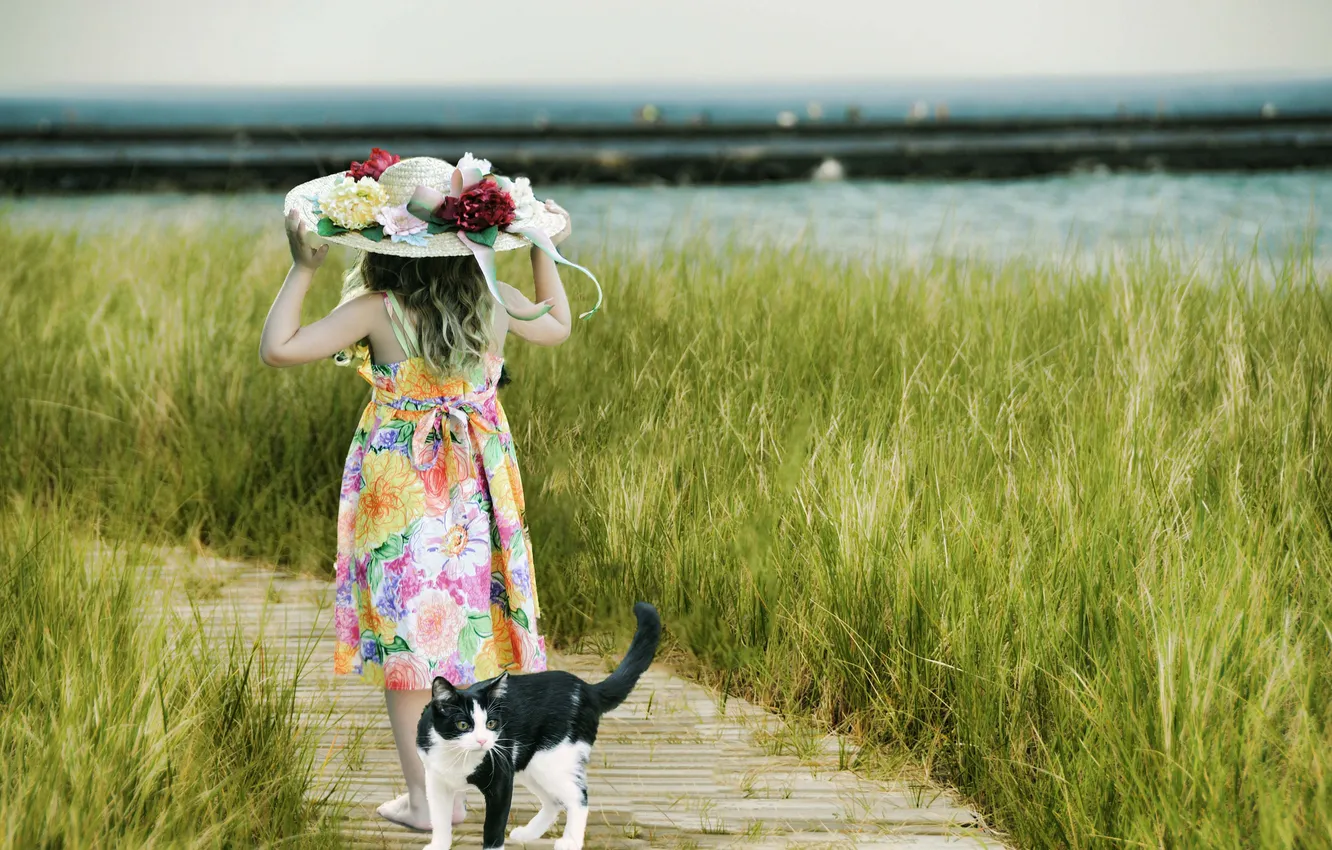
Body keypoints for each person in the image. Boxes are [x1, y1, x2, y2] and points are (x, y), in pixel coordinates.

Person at [259, 152, 592, 832]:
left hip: (400, 491)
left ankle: (424, 799)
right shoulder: (491, 303)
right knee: (475, 626)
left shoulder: (377, 308)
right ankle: (475, 780)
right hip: (477, 484)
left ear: (385, 246)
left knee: (412, 642)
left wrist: (304, 266)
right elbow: (558, 326)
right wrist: (542, 252)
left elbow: (279, 348)